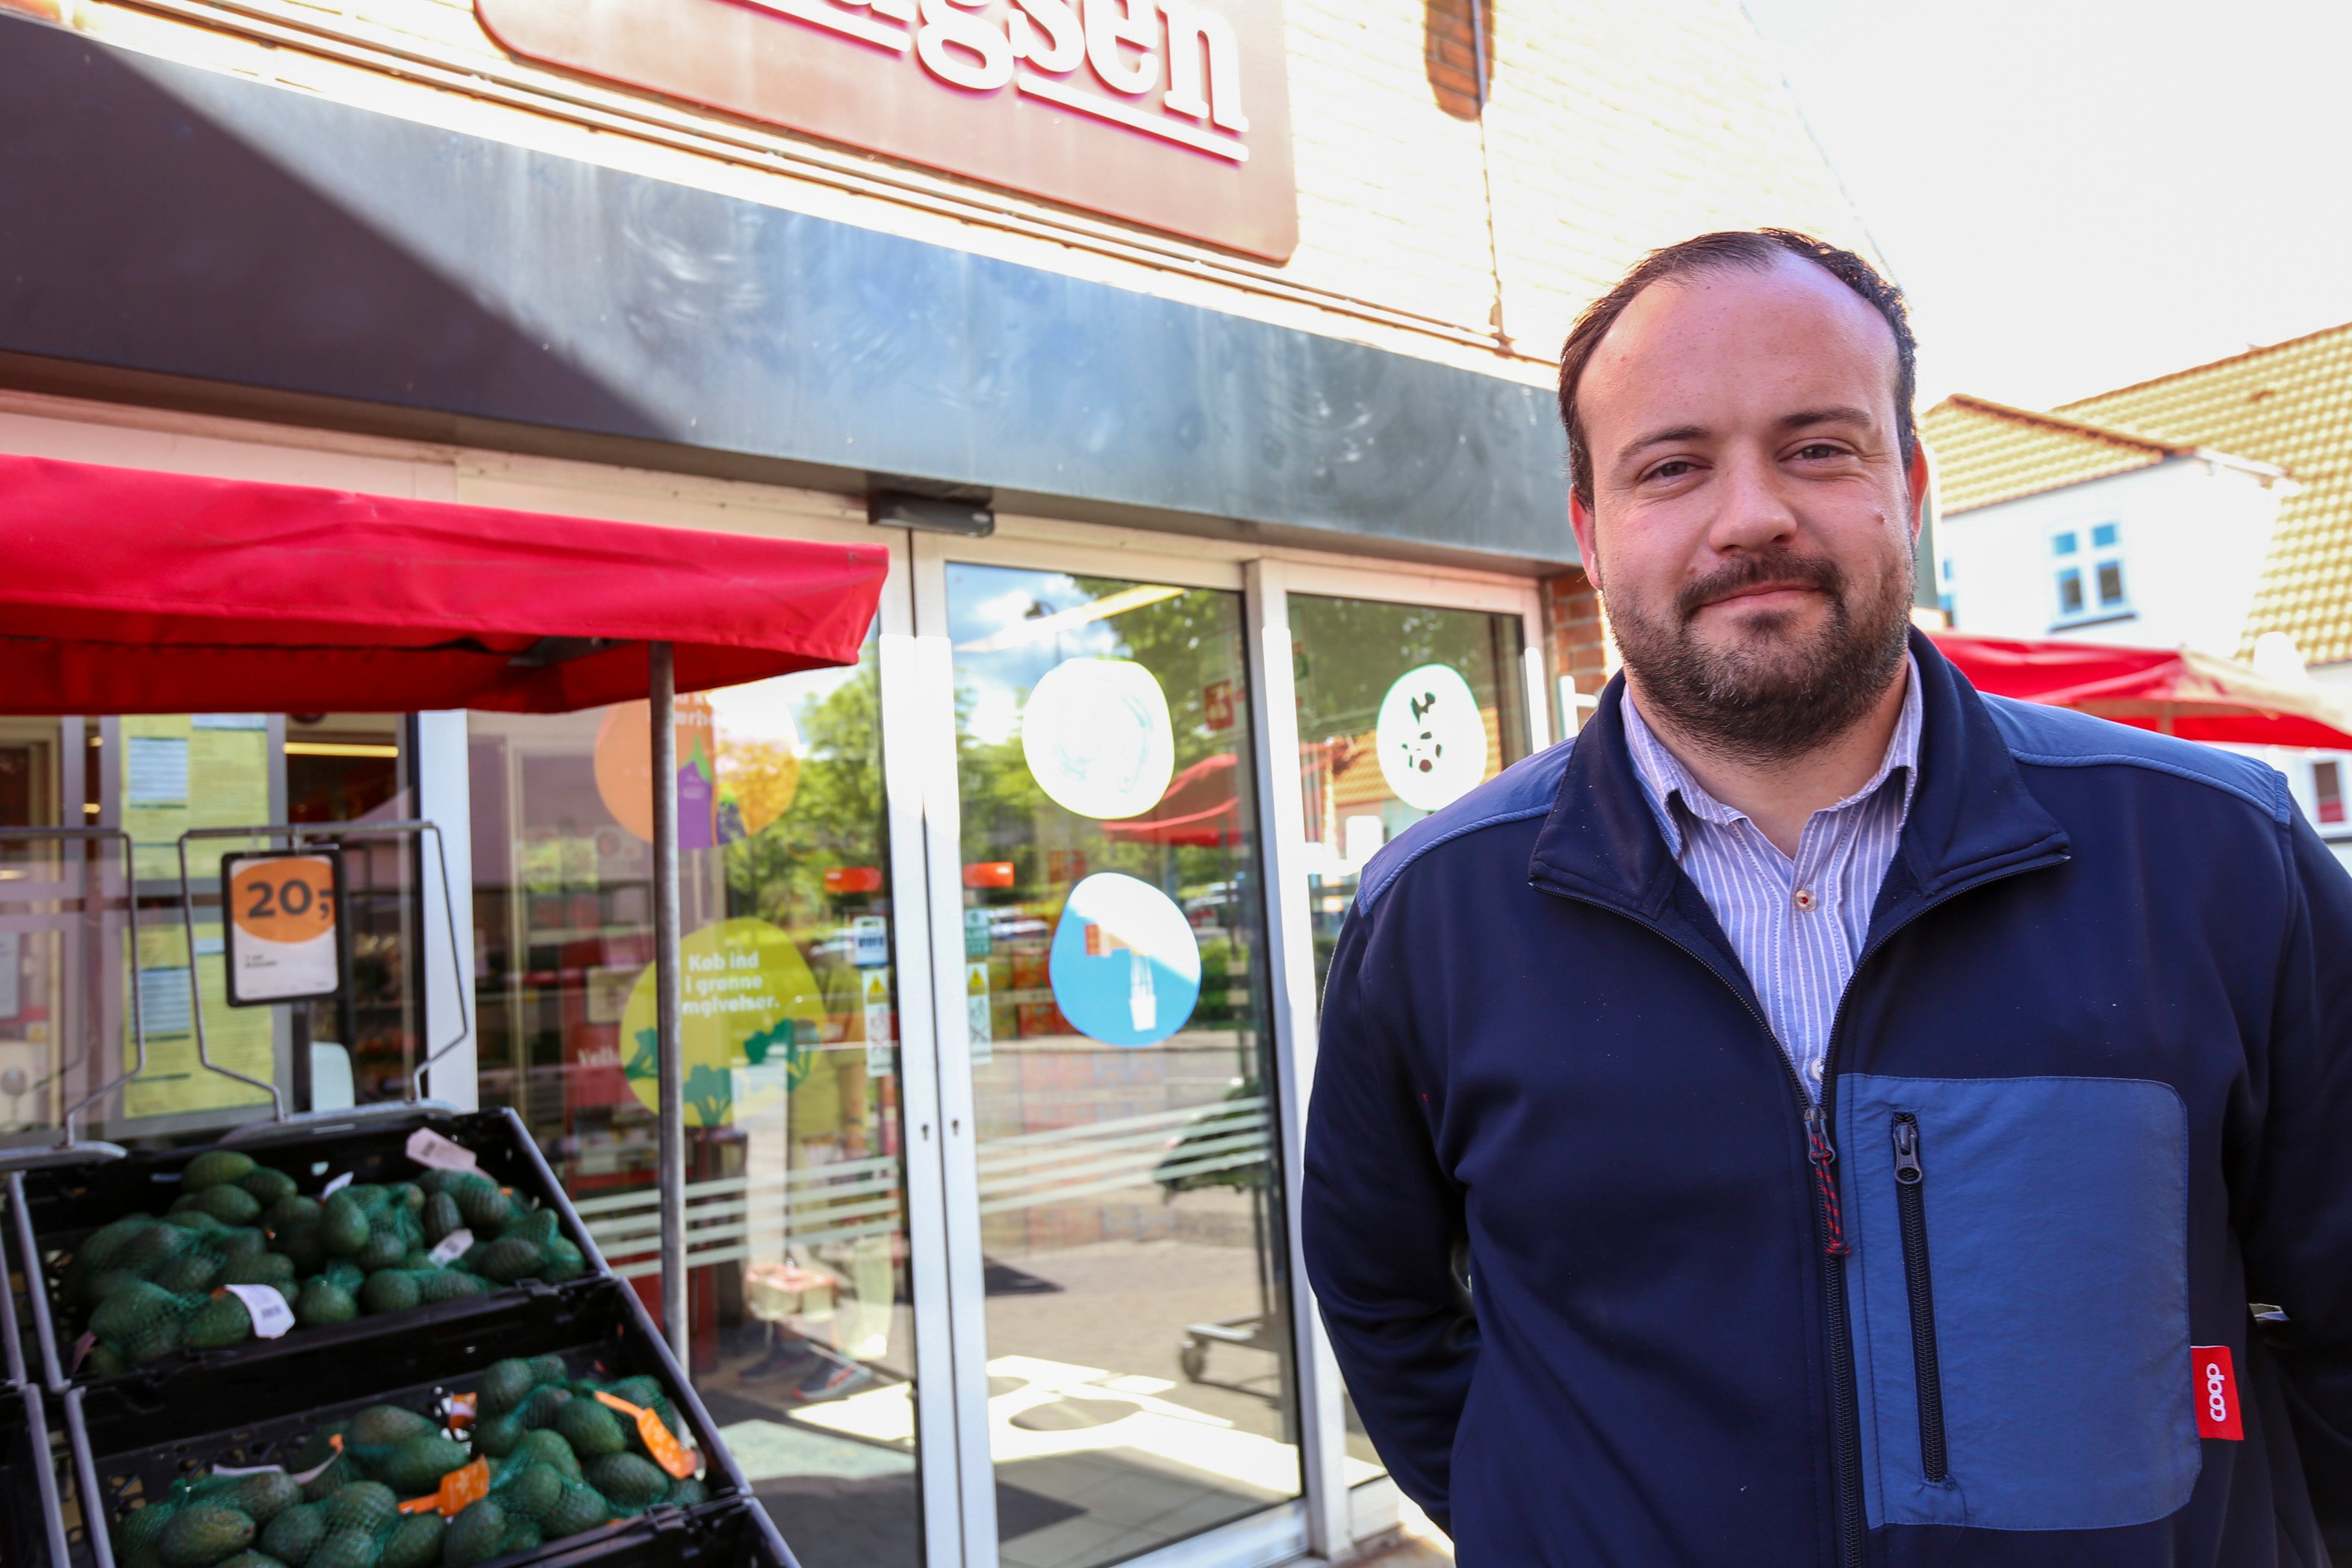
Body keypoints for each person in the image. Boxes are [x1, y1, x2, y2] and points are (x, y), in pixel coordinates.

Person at [1301, 229, 2352, 1567]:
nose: (1751, 516)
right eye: (1672, 466)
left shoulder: (2213, 855)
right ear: (1588, 529)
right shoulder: (1436, 913)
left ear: (1905, 485)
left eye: (1816, 447)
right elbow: (1386, 1309)